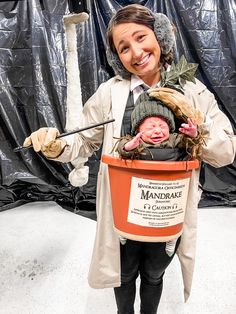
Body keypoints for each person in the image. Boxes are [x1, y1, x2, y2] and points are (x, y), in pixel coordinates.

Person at [23, 4, 236, 313]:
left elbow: (226, 151)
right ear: (116, 57)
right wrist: (54, 144)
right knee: (123, 273)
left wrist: (197, 126)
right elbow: (81, 141)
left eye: (141, 37)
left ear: (160, 36)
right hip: (123, 212)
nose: (136, 52)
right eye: (124, 47)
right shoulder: (110, 93)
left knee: (154, 272)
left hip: (167, 209)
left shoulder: (192, 90)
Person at [116, 91, 200, 161]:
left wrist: (193, 135)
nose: (157, 131)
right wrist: (129, 146)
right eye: (150, 127)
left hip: (170, 176)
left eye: (162, 127)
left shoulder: (173, 139)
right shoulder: (138, 142)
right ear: (137, 130)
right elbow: (121, 145)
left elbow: (188, 143)